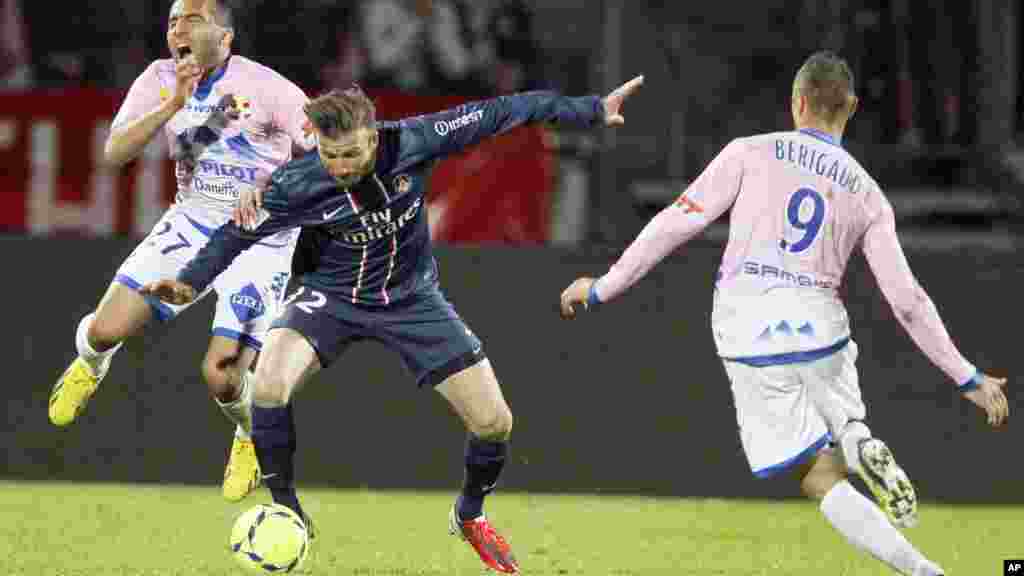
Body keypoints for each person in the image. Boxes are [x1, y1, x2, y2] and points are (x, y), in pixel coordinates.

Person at [140, 77, 643, 573]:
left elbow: (504, 110)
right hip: (330, 296)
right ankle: (286, 508)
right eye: (330, 155)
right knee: (268, 385)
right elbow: (235, 234)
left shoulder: (416, 140)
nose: (340, 167)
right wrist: (187, 282)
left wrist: (589, 109)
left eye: (351, 154)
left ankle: (469, 514)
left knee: (495, 423)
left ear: (374, 137)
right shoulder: (298, 183)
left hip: (412, 299)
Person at [559, 51, 1008, 576]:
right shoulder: (867, 193)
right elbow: (907, 300)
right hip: (822, 332)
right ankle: (858, 438)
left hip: (746, 331)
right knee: (842, 433)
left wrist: (602, 288)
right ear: (852, 107)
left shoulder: (748, 153)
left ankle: (922, 570)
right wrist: (967, 377)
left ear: (797, 102)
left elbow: (673, 225)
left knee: (818, 477)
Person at [48, 0, 314, 504]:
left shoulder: (270, 89)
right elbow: (115, 152)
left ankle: (248, 433)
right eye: (172, 21)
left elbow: (326, 148)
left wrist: (282, 188)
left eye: (192, 20)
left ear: (226, 37)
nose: (177, 29)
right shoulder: (158, 78)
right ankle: (90, 365)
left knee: (222, 375)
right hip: (192, 221)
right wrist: (172, 104)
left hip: (262, 239)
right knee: (104, 331)